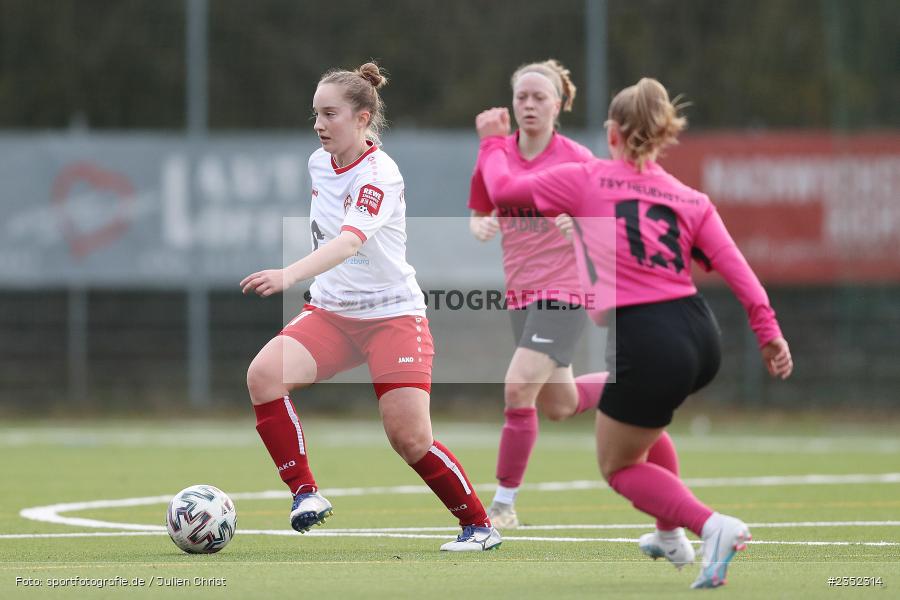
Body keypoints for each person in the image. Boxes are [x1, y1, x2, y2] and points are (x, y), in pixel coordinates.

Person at [474, 77, 793, 588]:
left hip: (647, 337)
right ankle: (669, 537)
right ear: (663, 135)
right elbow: (739, 272)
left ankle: (713, 526)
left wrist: (492, 141)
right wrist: (768, 331)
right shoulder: (689, 197)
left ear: (613, 133)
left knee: (618, 466)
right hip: (698, 333)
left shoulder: (585, 176)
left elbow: (505, 190)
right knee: (644, 426)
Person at [241, 62, 500, 552]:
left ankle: (479, 526)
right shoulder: (319, 162)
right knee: (263, 376)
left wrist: (288, 274)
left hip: (393, 317)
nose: (319, 123)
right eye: (315, 113)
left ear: (362, 119)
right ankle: (305, 494)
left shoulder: (381, 174)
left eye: (331, 114)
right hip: (334, 314)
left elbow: (347, 242)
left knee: (409, 438)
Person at [468, 61, 684, 536]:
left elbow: (607, 225)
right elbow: (483, 206)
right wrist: (480, 223)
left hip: (564, 294)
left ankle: (502, 505)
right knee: (559, 404)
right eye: (520, 96)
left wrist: (580, 227)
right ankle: (619, 384)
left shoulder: (578, 159)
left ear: (560, 104)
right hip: (520, 295)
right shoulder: (496, 155)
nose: (527, 105)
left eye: (538, 97)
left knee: (517, 386)